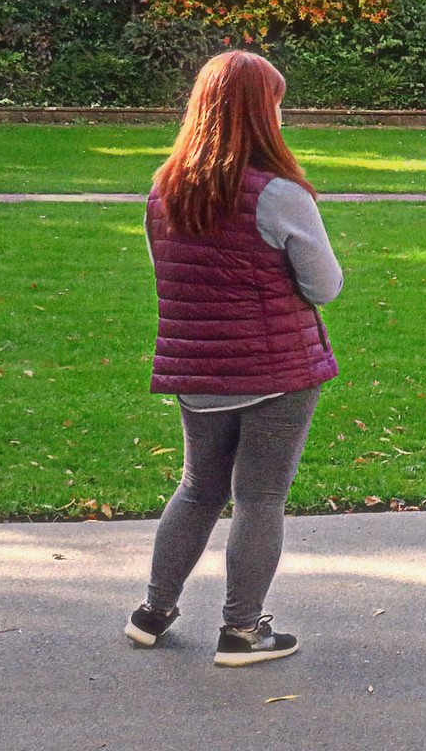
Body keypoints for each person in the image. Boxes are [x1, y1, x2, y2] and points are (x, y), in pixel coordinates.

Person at [124, 51, 342, 665]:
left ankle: (153, 611)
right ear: (261, 113)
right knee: (259, 499)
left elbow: (170, 275)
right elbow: (324, 286)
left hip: (198, 370)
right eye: (276, 102)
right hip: (277, 372)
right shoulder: (279, 195)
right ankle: (242, 630)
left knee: (197, 490)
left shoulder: (166, 189)